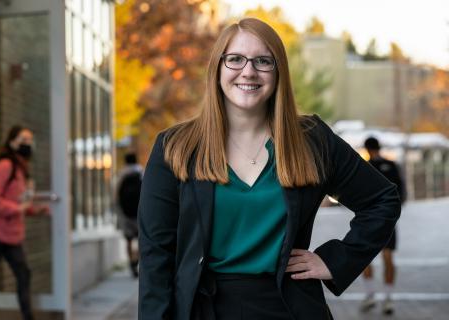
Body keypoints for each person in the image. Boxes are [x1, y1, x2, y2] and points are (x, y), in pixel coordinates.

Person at [138, 18, 401, 320]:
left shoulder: (311, 140)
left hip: (290, 308)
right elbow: (155, 254)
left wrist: (336, 260)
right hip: (204, 309)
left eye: (263, 61)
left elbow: (382, 200)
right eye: (235, 59)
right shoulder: (176, 147)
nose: (248, 71)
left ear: (278, 73)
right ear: (217, 68)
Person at [0, 125, 48, 320]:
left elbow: (16, 200)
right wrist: (18, 209)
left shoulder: (20, 168)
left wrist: (33, 210)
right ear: (12, 142)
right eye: (23, 140)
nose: (27, 144)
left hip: (11, 234)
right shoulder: (5, 165)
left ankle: (28, 316)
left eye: (30, 140)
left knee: (23, 274)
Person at [360, 137, 405, 315]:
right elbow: (401, 193)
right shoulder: (391, 165)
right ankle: (388, 299)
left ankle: (371, 295)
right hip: (387, 219)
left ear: (367, 148)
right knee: (388, 257)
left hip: (369, 219)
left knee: (364, 258)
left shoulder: (363, 167)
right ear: (379, 147)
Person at [116, 152, 143, 278]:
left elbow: (115, 194)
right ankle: (136, 259)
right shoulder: (141, 173)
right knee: (140, 240)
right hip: (139, 212)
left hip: (125, 213)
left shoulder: (121, 175)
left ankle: (130, 262)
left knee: (128, 239)